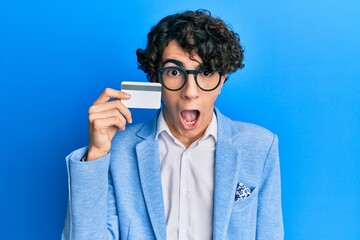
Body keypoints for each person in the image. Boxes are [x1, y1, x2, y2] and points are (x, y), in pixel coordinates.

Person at [61, 9, 283, 240]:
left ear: (222, 79)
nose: (190, 92)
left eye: (206, 71)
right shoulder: (117, 150)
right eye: (175, 72)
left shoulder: (261, 146)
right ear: (155, 78)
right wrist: (96, 154)